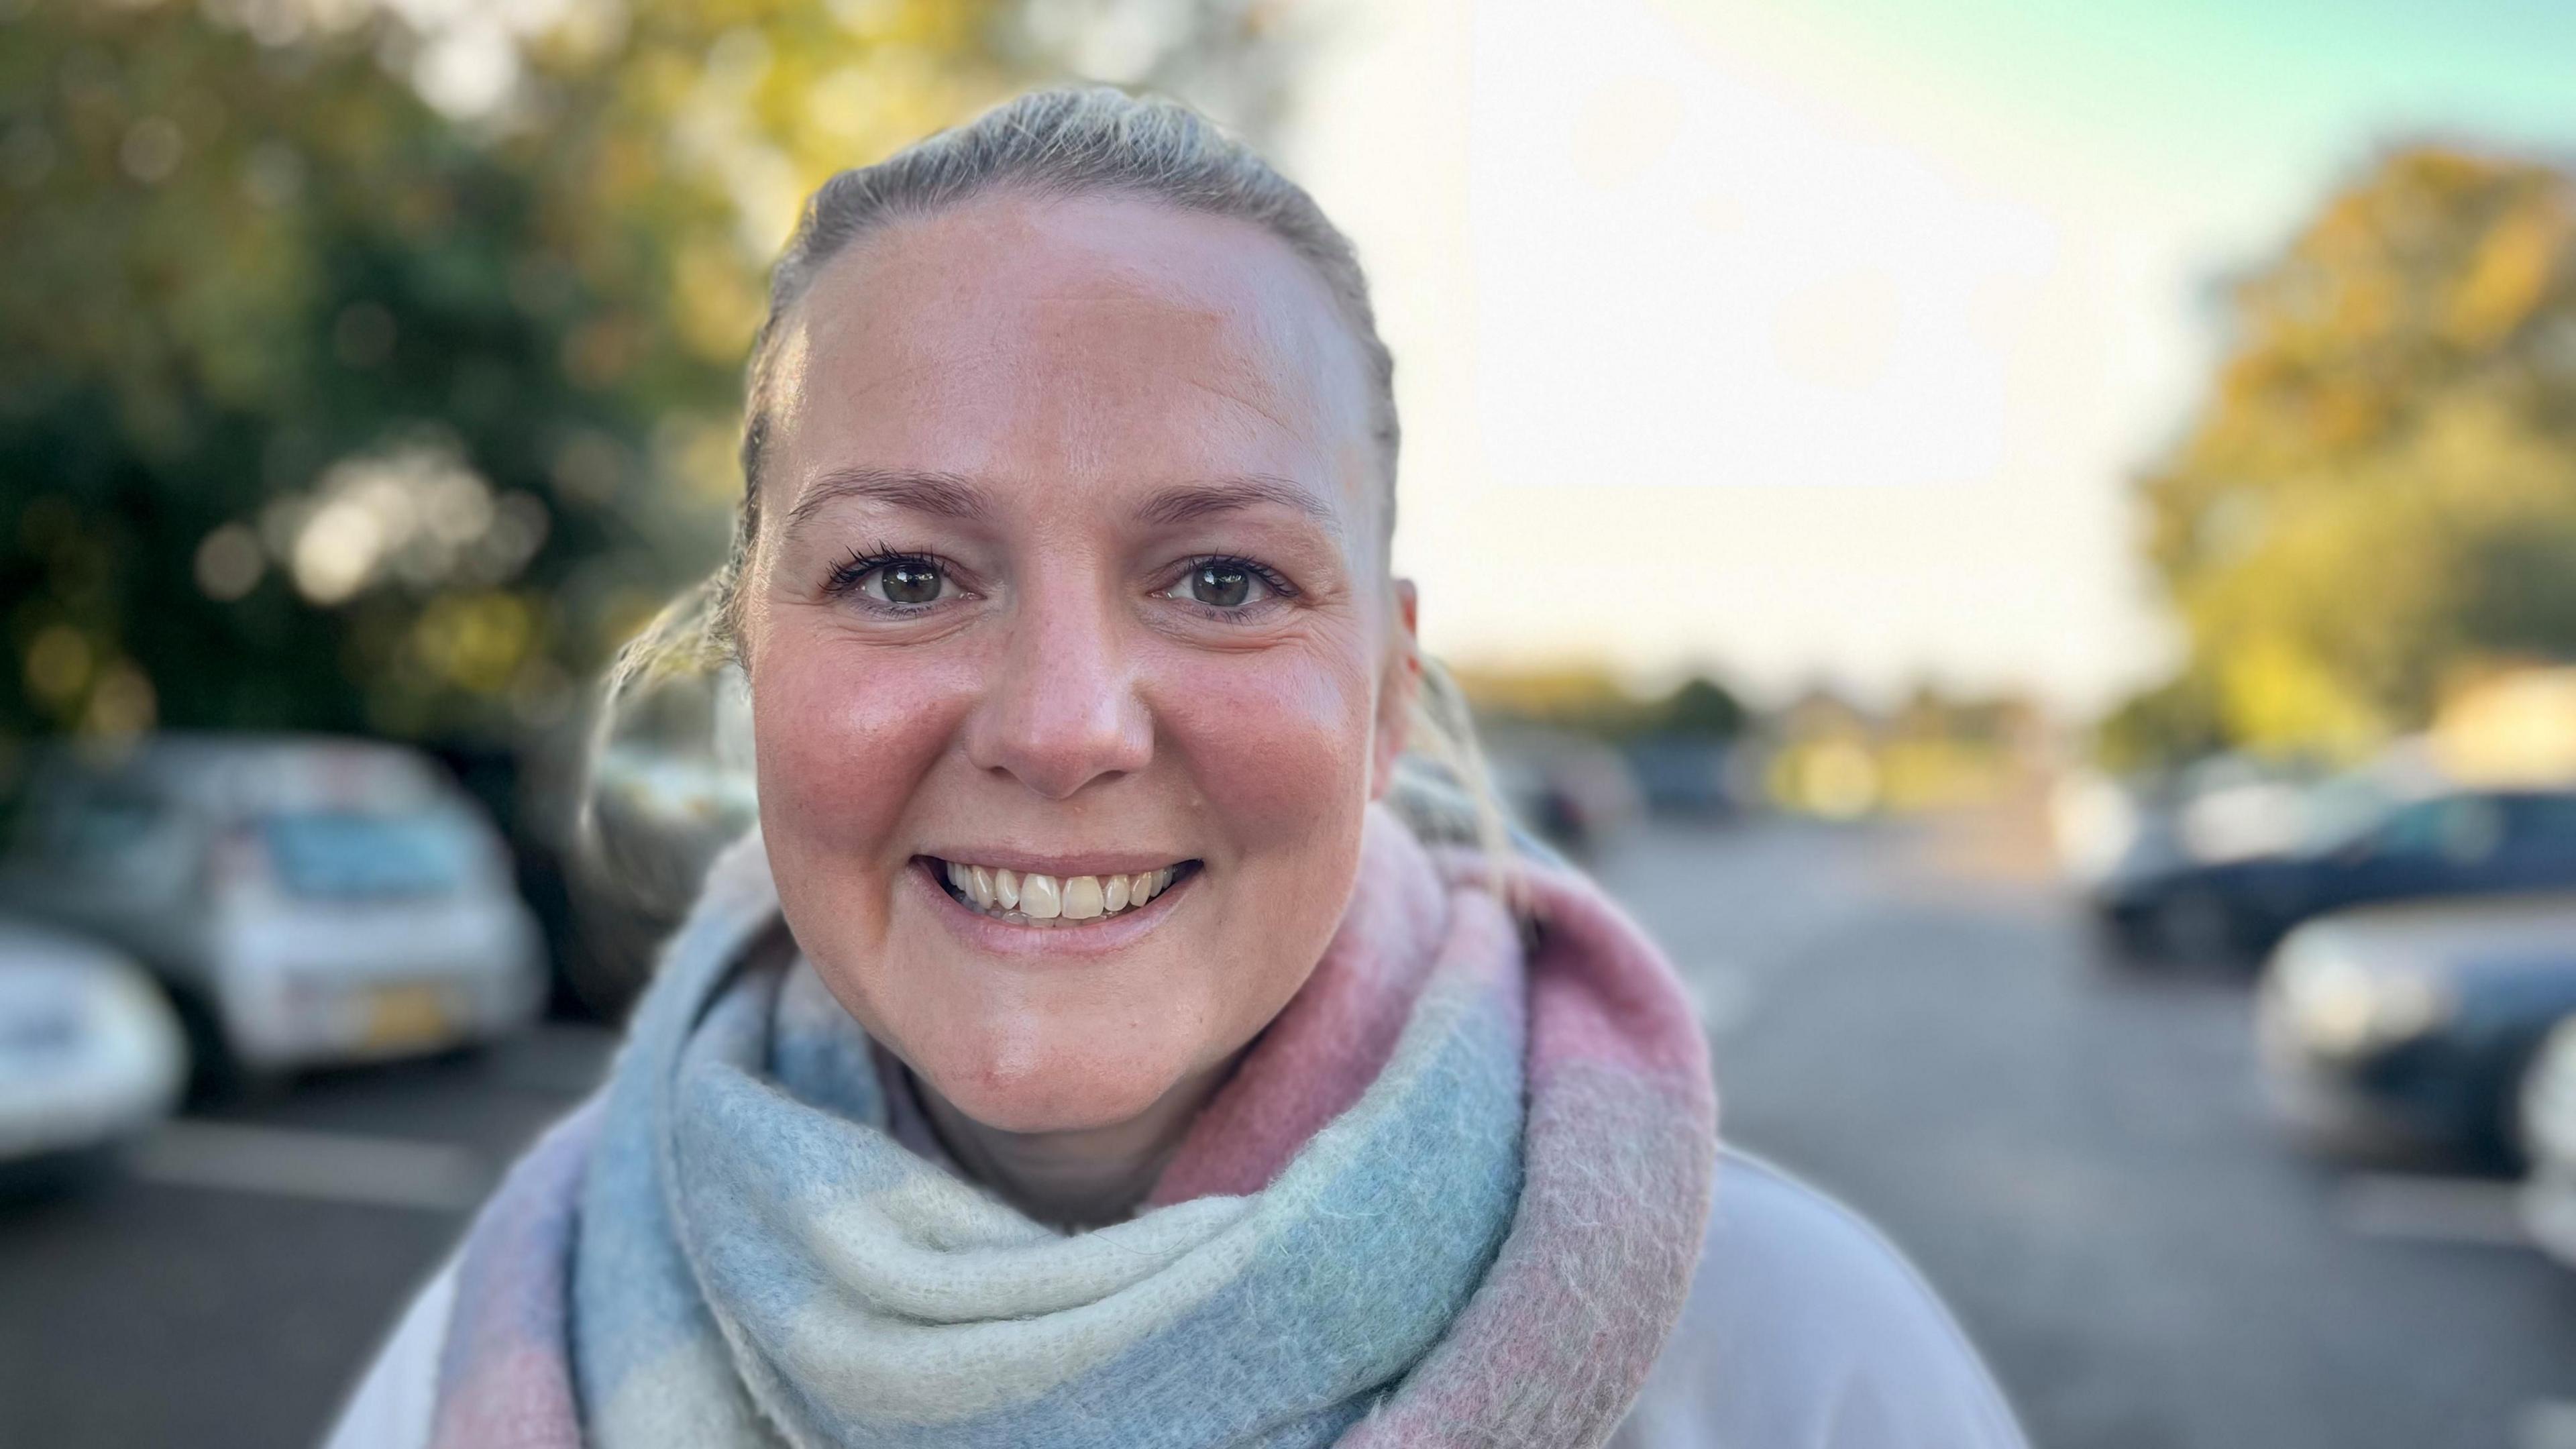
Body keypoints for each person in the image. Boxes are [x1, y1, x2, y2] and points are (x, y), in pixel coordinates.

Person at [325, 87, 2027, 1449]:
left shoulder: (1788, 1362)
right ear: (755, 668)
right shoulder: (505, 1328)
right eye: (903, 575)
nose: (1064, 728)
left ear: (1383, 700)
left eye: (1224, 580)